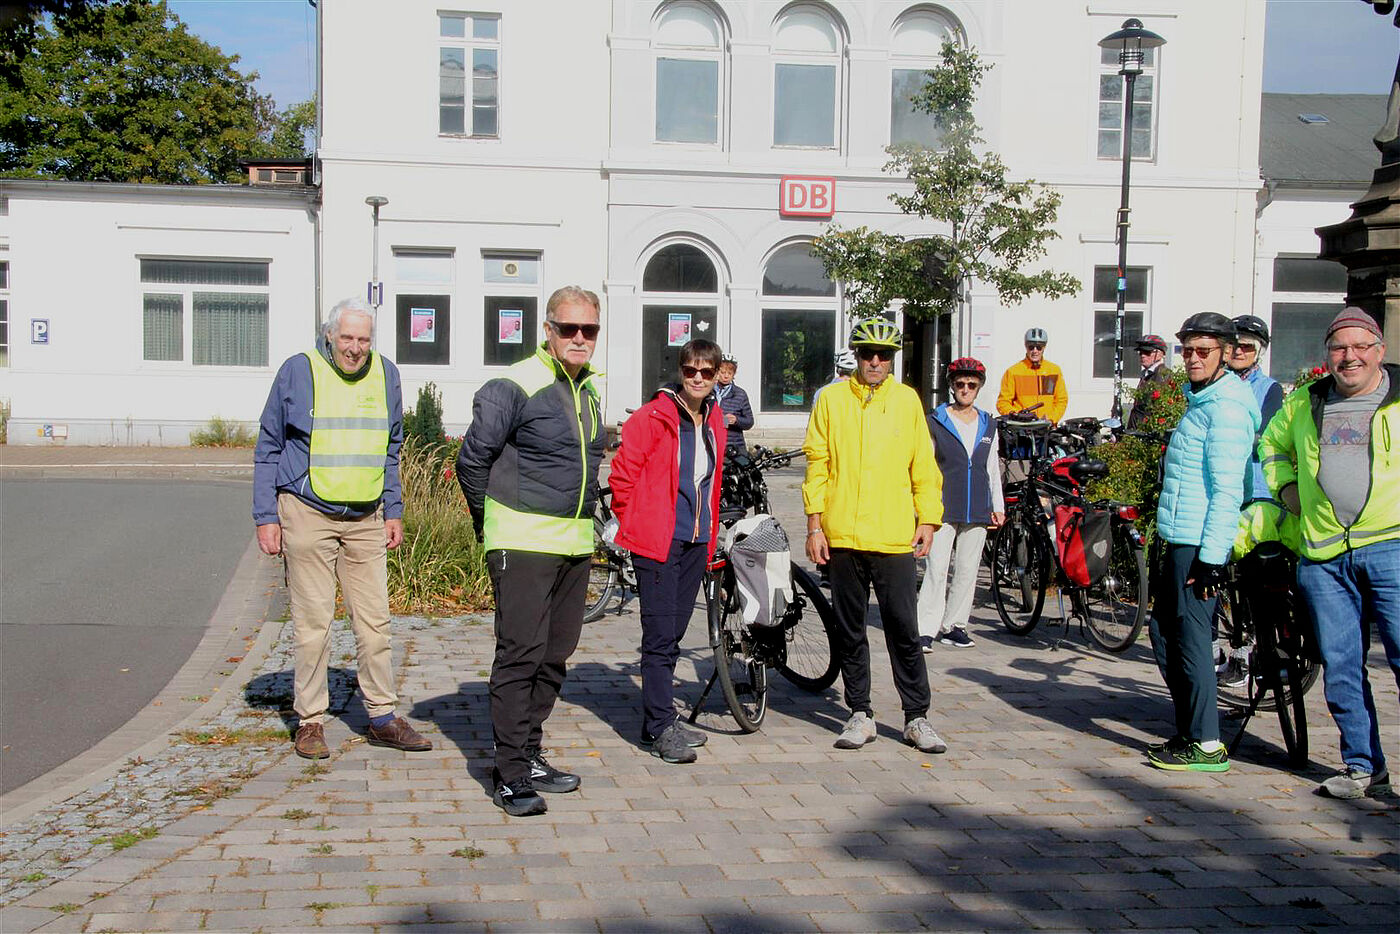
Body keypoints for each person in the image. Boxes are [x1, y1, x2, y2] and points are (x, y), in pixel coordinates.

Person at [253, 297, 433, 761]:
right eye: (347, 338)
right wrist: (266, 516)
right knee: (313, 625)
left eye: (363, 339)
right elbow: (269, 445)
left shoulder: (386, 374)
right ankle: (310, 721)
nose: (355, 348)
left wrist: (393, 508)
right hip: (306, 510)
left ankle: (382, 717)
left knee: (375, 624)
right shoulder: (299, 370)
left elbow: (392, 447)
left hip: (367, 516)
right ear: (329, 335)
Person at [457, 285, 606, 817]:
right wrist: (492, 524)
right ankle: (510, 772)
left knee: (554, 654)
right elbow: (471, 462)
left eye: (589, 329)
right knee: (520, 655)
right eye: (569, 328)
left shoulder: (587, 390)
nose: (580, 338)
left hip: (572, 542)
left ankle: (532, 751)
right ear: (548, 331)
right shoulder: (514, 384)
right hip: (521, 542)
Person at [1259, 307, 1398, 800]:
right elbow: (1271, 446)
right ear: (1328, 355)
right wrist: (1287, 490)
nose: (1350, 356)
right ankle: (1363, 767)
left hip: (1391, 545)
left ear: (1379, 351)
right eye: (1340, 347)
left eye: (1361, 346)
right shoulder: (1304, 402)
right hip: (1323, 552)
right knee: (1340, 664)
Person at [803, 318, 947, 754]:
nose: (876, 361)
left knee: (904, 627)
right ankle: (860, 712)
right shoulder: (830, 400)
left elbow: (924, 464)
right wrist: (814, 525)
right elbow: (818, 463)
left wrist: (928, 519)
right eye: (868, 353)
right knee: (849, 630)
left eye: (884, 355)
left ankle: (916, 717)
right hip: (843, 533)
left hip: (893, 536)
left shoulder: (906, 401)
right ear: (857, 356)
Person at [1147, 312, 1259, 773]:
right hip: (1180, 536)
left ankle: (1207, 744)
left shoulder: (1227, 409)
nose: (1192, 359)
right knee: (1163, 631)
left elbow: (1228, 489)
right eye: (1187, 350)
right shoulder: (1203, 400)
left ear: (1226, 355)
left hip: (1198, 544)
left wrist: (1212, 559)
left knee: (1191, 639)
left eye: (1203, 351)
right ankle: (1191, 729)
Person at [609, 340, 726, 764]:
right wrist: (634, 521)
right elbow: (623, 477)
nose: (697, 378)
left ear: (716, 376)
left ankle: (656, 718)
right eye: (691, 370)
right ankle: (659, 726)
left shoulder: (713, 419)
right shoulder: (652, 417)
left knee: (675, 631)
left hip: (695, 539)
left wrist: (711, 535)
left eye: (706, 372)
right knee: (659, 638)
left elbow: (709, 482)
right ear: (680, 371)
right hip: (658, 540)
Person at [918, 357, 1005, 651]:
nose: (965, 389)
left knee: (967, 570)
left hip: (977, 505)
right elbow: (925, 466)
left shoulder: (988, 424)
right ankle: (925, 628)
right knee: (936, 569)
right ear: (951, 386)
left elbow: (992, 467)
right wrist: (922, 508)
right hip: (943, 505)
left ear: (979, 388)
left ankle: (955, 625)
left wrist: (998, 504)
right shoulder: (936, 421)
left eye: (971, 384)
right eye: (960, 384)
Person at [1227, 315, 1285, 503]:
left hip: (1254, 488)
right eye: (1234, 345)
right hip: (1220, 484)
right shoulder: (1214, 386)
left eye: (1247, 347)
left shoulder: (1270, 389)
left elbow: (1264, 438)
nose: (1239, 352)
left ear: (1259, 351)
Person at [997, 327, 1068, 423]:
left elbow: (1061, 400)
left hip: (1046, 427)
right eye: (1031, 347)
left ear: (1044, 348)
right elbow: (1003, 402)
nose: (1035, 351)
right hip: (1021, 428)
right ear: (1026, 346)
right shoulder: (1013, 372)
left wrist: (1051, 418)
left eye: (1039, 347)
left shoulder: (1054, 370)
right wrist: (1017, 416)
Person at [1126, 333, 1171, 430]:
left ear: (1160, 354)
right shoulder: (1146, 374)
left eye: (1147, 352)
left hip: (1148, 432)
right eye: (1141, 352)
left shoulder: (1163, 375)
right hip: (1138, 431)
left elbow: (1156, 408)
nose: (1142, 356)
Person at [713, 353, 754, 457]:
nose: (726, 376)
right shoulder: (708, 392)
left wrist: (736, 420)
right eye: (723, 372)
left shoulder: (740, 394)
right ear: (717, 372)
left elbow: (749, 421)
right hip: (712, 444)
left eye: (729, 373)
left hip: (734, 446)